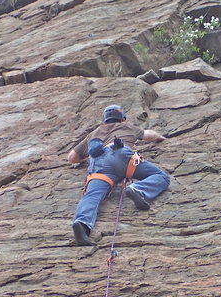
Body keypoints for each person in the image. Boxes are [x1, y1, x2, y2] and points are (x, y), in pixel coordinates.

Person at [68, 104, 170, 246]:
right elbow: (148, 135)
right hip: (122, 156)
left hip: (99, 163)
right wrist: (159, 137)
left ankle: (82, 224)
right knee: (161, 177)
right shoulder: (127, 127)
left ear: (104, 120)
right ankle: (138, 190)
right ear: (123, 119)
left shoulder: (94, 133)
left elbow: (72, 157)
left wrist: (86, 158)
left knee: (92, 195)